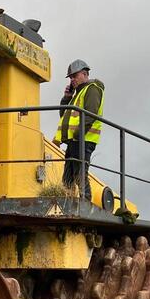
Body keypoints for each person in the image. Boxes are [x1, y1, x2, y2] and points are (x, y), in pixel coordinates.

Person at [53, 59, 105, 202]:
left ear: (84, 74)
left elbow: (90, 114)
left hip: (83, 139)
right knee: (68, 176)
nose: (72, 80)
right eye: (70, 77)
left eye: (74, 76)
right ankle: (68, 202)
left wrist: (77, 134)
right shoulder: (77, 94)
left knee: (80, 174)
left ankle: (85, 202)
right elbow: (63, 115)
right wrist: (66, 98)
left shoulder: (93, 89)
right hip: (74, 141)